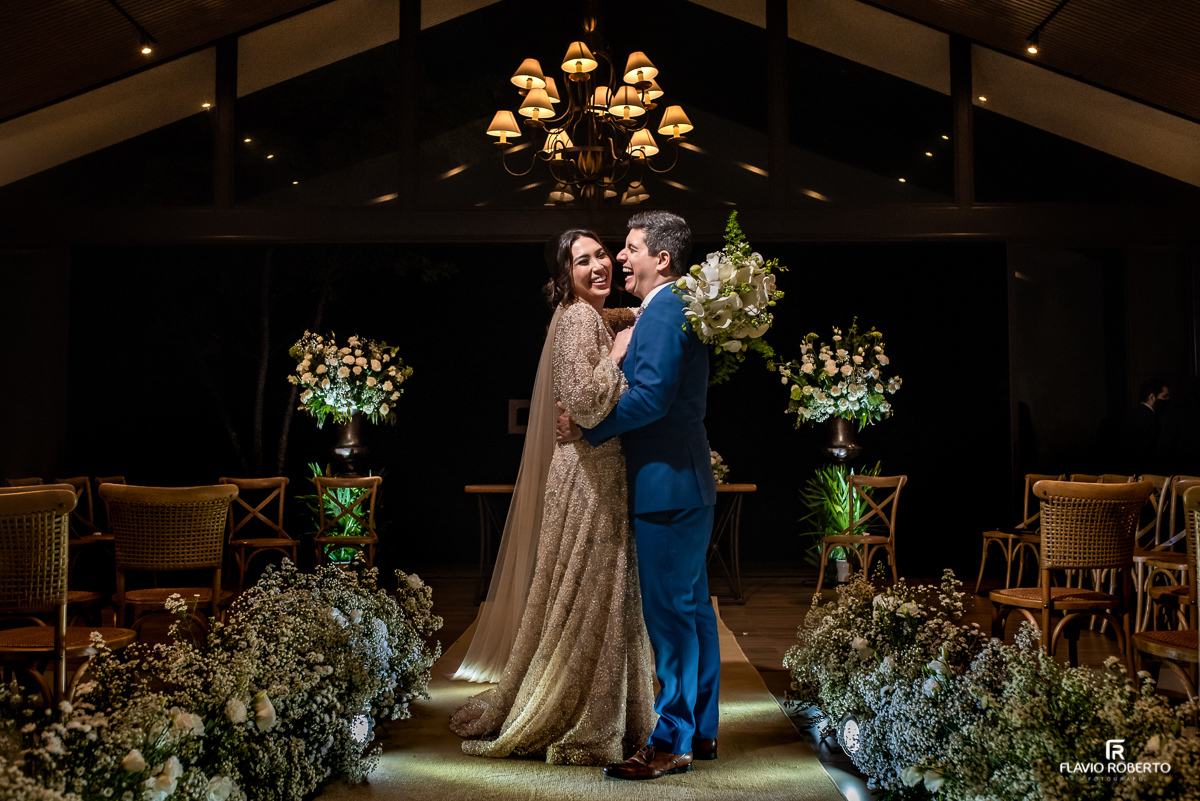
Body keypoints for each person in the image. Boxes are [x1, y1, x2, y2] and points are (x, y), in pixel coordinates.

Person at [448, 229, 655, 766]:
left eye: (602, 255)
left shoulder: (586, 316)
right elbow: (586, 404)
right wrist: (619, 350)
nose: (599, 267)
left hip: (591, 468)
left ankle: (609, 706)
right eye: (582, 262)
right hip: (590, 472)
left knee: (596, 585)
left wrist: (634, 317)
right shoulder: (581, 320)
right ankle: (582, 713)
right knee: (592, 586)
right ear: (565, 276)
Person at [559, 210, 720, 781]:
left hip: (664, 488)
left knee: (670, 619)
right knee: (694, 612)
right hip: (686, 483)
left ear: (662, 258)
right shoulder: (675, 308)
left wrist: (588, 429)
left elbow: (650, 398)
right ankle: (700, 728)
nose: (620, 258)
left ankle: (670, 740)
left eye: (630, 248)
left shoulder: (665, 311)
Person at [1120, 377, 1169, 474]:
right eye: (1164, 396)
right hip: (1145, 474)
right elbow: (1149, 452)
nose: (1168, 399)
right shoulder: (1151, 419)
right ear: (1152, 397)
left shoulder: (1132, 414)